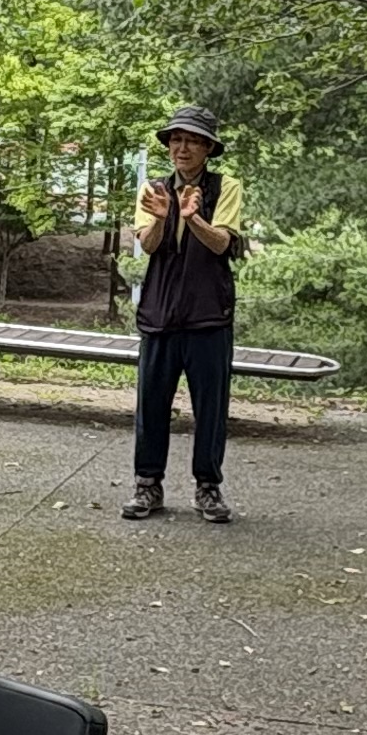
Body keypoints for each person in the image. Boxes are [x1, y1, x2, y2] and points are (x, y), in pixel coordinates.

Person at [123, 109, 247, 523]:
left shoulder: (225, 187)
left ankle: (208, 487)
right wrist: (162, 218)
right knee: (151, 404)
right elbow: (148, 245)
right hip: (159, 311)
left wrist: (193, 217)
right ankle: (147, 484)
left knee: (210, 407)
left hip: (209, 313)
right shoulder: (153, 189)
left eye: (192, 140)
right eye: (176, 139)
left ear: (208, 148)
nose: (182, 147)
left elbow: (221, 244)